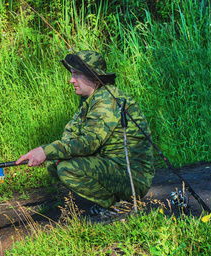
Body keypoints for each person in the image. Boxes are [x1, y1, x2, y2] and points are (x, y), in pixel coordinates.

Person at [16, 50, 155, 215]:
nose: (71, 80)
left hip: (132, 178)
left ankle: (117, 206)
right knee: (55, 164)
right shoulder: (91, 99)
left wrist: (45, 150)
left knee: (68, 168)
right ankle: (111, 201)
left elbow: (88, 143)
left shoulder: (106, 101)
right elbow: (71, 132)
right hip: (112, 166)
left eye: (76, 74)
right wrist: (55, 153)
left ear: (93, 77)